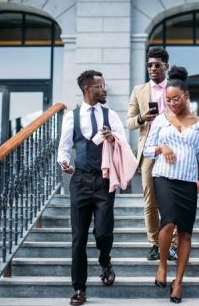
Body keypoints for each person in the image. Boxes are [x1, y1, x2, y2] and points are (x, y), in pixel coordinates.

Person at [143, 66, 199, 303]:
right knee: (168, 222)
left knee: (185, 232)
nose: (172, 103)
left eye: (176, 99)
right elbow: (145, 150)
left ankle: (178, 281)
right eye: (168, 99)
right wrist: (162, 148)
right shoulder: (160, 120)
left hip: (187, 181)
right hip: (163, 177)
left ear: (187, 96)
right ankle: (162, 265)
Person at [57, 70, 126, 306]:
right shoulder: (71, 117)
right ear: (88, 89)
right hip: (80, 181)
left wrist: (112, 138)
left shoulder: (111, 115)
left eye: (104, 85)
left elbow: (124, 144)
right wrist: (63, 162)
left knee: (103, 232)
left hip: (105, 180)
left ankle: (105, 260)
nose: (104, 89)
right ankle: (79, 289)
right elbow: (64, 147)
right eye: (101, 86)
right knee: (78, 238)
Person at [127, 47, 178, 261]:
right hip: (148, 152)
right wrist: (141, 118)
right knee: (150, 201)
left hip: (172, 151)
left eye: (157, 64)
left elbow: (187, 117)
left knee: (171, 200)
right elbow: (129, 122)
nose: (153, 68)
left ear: (166, 66)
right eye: (149, 65)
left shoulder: (176, 89)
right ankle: (154, 244)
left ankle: (172, 245)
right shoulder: (139, 90)